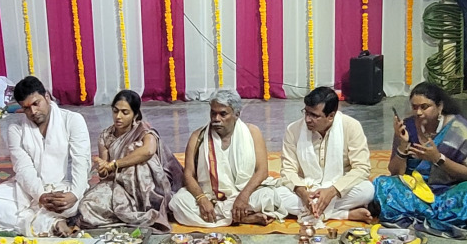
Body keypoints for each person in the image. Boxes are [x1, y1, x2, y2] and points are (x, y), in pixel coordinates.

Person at [373, 82, 467, 238]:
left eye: (425, 107)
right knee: (382, 184)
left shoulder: (461, 130)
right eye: (415, 107)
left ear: (440, 107)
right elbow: (396, 173)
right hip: (413, 192)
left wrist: (438, 158)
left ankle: (423, 215)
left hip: (448, 193)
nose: (418, 112)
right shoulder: (407, 127)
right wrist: (402, 145)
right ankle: (444, 218)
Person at [0, 77, 93, 236]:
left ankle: (41, 221)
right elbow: (23, 168)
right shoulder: (16, 129)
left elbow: (81, 161)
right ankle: (52, 223)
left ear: (47, 97)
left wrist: (74, 195)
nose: (33, 112)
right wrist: (40, 195)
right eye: (26, 108)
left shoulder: (72, 120)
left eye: (36, 103)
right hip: (31, 191)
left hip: (66, 188)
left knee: (75, 206)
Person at [168, 90, 296, 227]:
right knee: (178, 203)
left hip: (247, 192)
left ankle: (227, 215)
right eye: (213, 113)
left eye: (223, 114)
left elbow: (262, 171)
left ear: (236, 114)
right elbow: (188, 174)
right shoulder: (198, 136)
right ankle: (242, 217)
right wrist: (201, 199)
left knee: (270, 196)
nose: (216, 118)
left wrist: (243, 197)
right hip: (210, 196)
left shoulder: (252, 132)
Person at [75, 90, 181, 232]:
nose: (118, 116)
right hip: (116, 185)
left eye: (125, 112)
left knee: (137, 155)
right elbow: (105, 174)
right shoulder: (106, 136)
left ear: (135, 115)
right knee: (86, 205)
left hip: (144, 187)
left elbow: (148, 151)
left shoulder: (144, 131)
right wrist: (103, 168)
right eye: (115, 111)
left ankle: (139, 209)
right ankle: (128, 216)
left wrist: (116, 164)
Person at [280, 86, 376, 223]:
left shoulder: (351, 127)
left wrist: (332, 191)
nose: (307, 119)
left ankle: (313, 210)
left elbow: (362, 168)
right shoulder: (293, 130)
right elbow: (288, 170)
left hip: (338, 188)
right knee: (277, 195)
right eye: (306, 112)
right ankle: (343, 214)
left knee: (367, 191)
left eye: (314, 115)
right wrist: (303, 193)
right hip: (306, 189)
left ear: (331, 116)